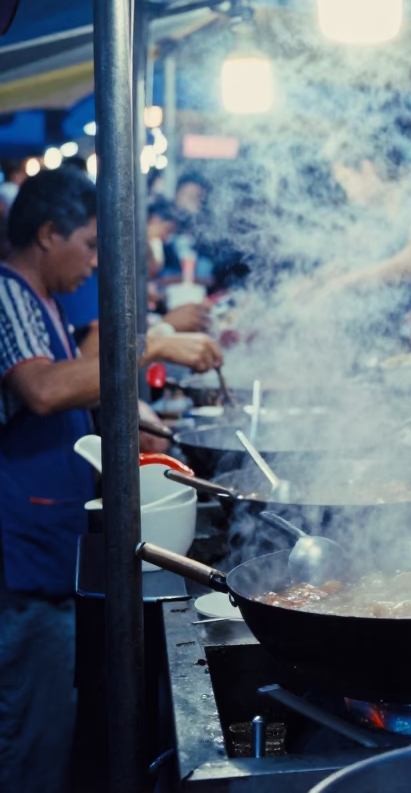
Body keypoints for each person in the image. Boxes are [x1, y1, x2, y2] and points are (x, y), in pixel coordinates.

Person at [0, 168, 221, 792]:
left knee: (50, 722)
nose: (96, 262)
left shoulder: (38, 297)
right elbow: (42, 390)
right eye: (90, 244)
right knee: (29, 733)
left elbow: (73, 382)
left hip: (49, 542)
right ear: (48, 234)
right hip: (21, 555)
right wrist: (149, 345)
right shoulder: (7, 293)